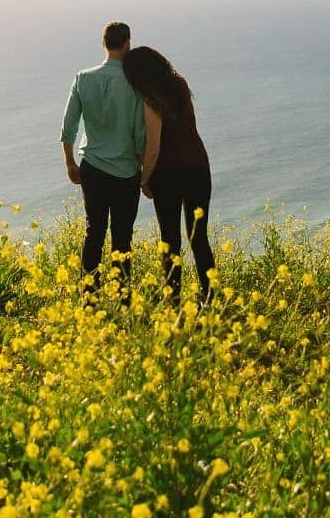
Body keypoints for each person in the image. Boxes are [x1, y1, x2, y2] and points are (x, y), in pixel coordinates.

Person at [122, 45, 214, 307]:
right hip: (198, 167)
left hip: (168, 174)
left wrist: (144, 180)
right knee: (199, 238)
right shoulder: (180, 85)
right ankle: (209, 298)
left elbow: (153, 148)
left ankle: (173, 302)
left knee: (170, 240)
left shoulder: (150, 98)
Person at [60, 21, 146, 301]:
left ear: (104, 43)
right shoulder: (134, 82)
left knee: (94, 231)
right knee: (122, 236)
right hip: (124, 171)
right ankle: (122, 298)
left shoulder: (83, 78)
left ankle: (89, 297)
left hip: (93, 166)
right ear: (127, 43)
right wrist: (144, 169)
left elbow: (69, 125)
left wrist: (70, 162)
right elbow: (138, 132)